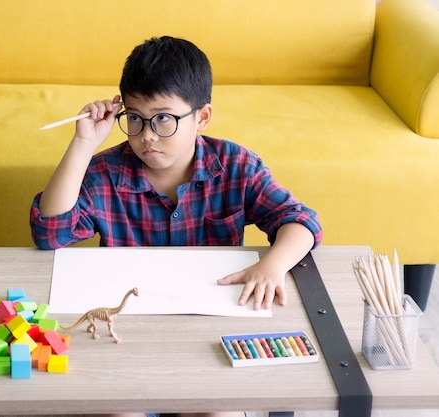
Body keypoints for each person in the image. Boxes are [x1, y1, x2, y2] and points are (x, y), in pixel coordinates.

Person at [30, 36, 323, 417]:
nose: (146, 135)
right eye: (134, 119)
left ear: (201, 117)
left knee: (217, 411)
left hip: (210, 332)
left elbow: (300, 220)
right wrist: (84, 144)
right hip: (129, 335)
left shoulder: (235, 165)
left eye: (163, 119)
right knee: (118, 410)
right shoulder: (105, 172)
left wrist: (272, 265)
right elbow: (50, 234)